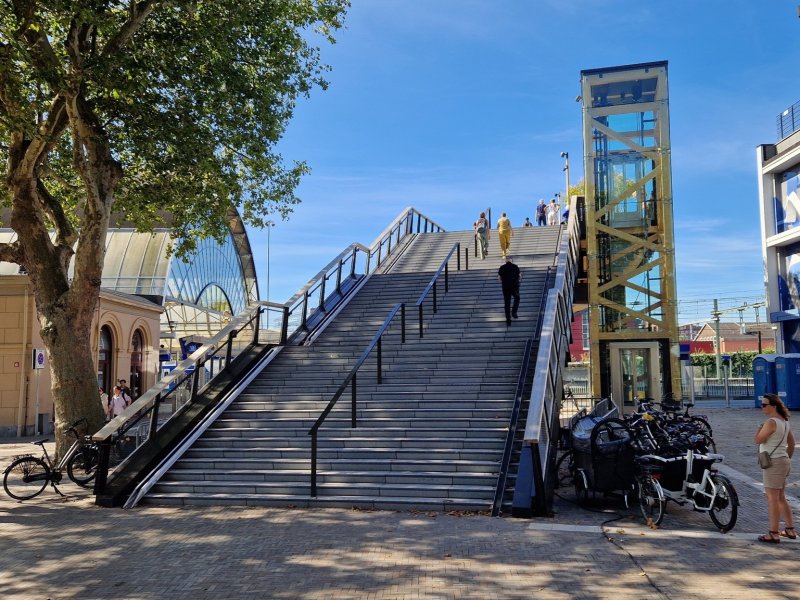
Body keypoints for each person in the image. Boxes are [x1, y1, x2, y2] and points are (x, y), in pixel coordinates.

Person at [755, 393, 796, 543]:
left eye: (764, 405)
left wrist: (759, 428)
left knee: (772, 498)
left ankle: (773, 532)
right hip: (783, 461)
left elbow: (758, 440)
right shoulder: (784, 421)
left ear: (773, 406)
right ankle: (790, 529)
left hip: (773, 463)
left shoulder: (771, 422)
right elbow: (791, 443)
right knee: (781, 497)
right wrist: (786, 458)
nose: (762, 407)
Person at [497, 255, 521, 326]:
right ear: (511, 260)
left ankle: (508, 320)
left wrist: (504, 280)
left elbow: (498, 278)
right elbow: (520, 276)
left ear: (506, 261)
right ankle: (514, 312)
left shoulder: (502, 268)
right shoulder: (515, 267)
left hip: (506, 287)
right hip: (514, 287)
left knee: (507, 303)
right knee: (517, 298)